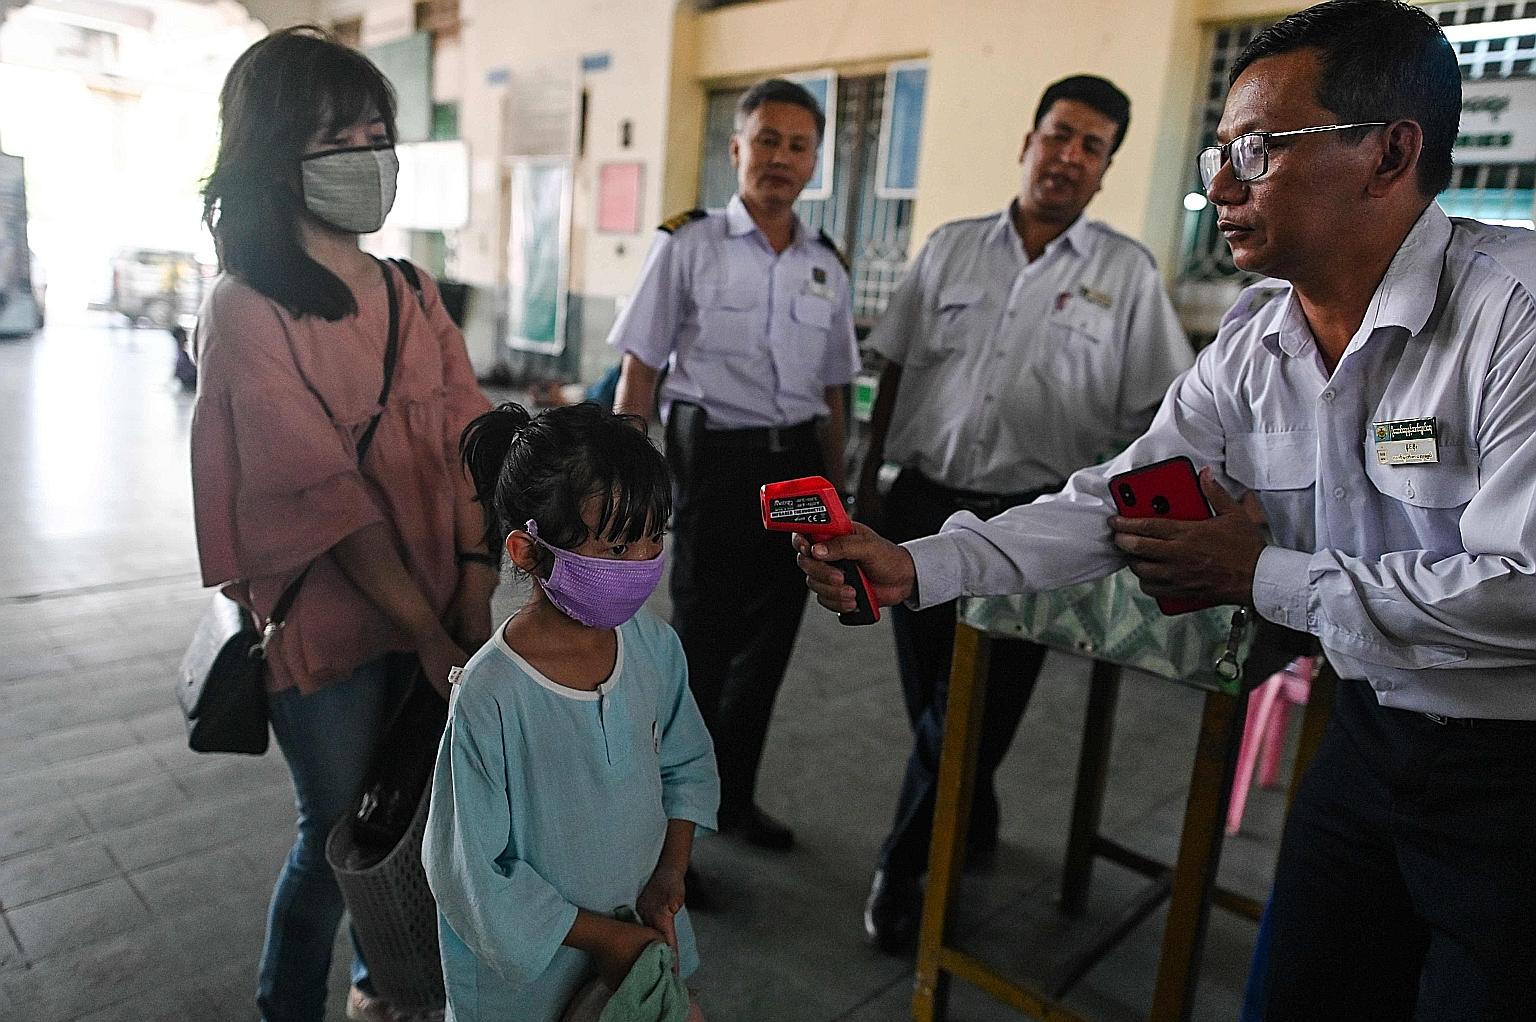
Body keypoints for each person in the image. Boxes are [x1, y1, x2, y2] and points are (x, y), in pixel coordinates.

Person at [798, 2, 1536, 1017]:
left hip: (1512, 772)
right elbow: (1119, 499)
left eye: (1260, 149)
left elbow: (1523, 589)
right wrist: (921, 563)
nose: (1221, 184)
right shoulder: (1255, 344)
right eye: (1219, 151)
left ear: (1389, 153)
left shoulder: (1512, 317)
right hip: (1368, 735)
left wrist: (1264, 576)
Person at [190, 27, 494, 1022]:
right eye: (342, 137)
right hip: (328, 629)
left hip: (441, 608)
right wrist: (432, 629)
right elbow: (329, 503)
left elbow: (469, 441)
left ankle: (382, 984)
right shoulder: (245, 310)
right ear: (276, 155)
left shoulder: (409, 289)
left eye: (378, 132)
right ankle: (288, 1004)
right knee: (334, 834)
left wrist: (477, 583)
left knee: (404, 817)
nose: (371, 156)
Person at [854, 74, 1193, 951]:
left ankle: (905, 870)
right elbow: (892, 369)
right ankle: (970, 810)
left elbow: (1160, 414)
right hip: (919, 506)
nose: (1068, 157)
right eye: (1059, 135)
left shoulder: (1127, 275)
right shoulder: (950, 248)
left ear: (1106, 168)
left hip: (1031, 526)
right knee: (931, 699)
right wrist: (864, 488)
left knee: (968, 714)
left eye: (1091, 147)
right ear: (1029, 139)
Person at [608, 78, 859, 852]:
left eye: (798, 145)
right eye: (768, 140)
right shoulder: (688, 244)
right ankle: (667, 828)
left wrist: (841, 489)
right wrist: (627, 488)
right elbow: (640, 370)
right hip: (715, 464)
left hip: (799, 474)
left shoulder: (827, 263)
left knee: (771, 645)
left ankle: (734, 801)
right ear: (736, 149)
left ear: (815, 161)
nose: (781, 158)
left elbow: (836, 389)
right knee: (704, 650)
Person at [423, 401, 718, 1020]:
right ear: (529, 553)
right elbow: (470, 871)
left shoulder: (653, 646)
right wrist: (607, 939)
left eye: (653, 537)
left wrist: (671, 871)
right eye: (616, 547)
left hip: (639, 943)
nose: (643, 563)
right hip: (527, 989)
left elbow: (686, 765)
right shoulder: (490, 695)